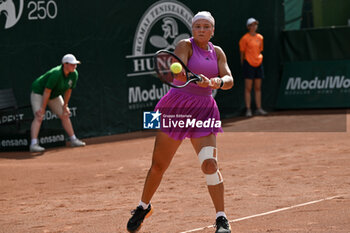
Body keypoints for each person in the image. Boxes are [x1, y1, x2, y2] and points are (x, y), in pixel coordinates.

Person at [127, 11, 233, 233]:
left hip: (204, 110)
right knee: (158, 166)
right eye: (197, 26)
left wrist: (217, 81)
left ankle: (221, 219)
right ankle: (143, 206)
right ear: (192, 29)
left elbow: (229, 79)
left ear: (212, 31)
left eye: (206, 26)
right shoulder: (185, 45)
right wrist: (198, 79)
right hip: (176, 108)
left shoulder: (218, 52)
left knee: (210, 164)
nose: (201, 30)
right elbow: (180, 72)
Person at [29, 54, 86, 152]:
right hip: (39, 92)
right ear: (65, 64)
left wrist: (65, 105)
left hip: (53, 94)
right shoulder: (56, 73)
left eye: (75, 64)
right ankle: (33, 144)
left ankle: (73, 140)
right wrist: (42, 108)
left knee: (65, 114)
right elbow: (47, 91)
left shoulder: (74, 74)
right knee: (39, 116)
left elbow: (68, 91)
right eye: (72, 64)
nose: (75, 66)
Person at [239, 18, 267, 117]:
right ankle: (248, 109)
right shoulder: (244, 38)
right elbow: (242, 53)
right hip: (248, 64)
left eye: (255, 24)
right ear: (248, 27)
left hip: (259, 63)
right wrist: (244, 64)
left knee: (258, 87)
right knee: (248, 88)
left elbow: (260, 50)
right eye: (251, 25)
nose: (253, 26)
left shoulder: (260, 37)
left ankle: (259, 108)